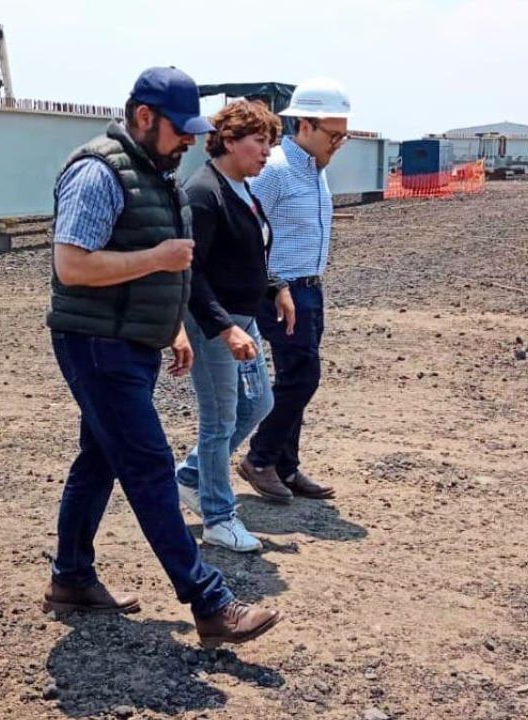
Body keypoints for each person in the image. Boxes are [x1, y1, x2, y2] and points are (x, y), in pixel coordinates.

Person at [44, 67, 281, 648]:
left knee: (98, 460)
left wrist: (174, 324)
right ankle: (211, 602)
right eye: (181, 130)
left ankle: (70, 578)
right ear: (145, 117)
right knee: (149, 464)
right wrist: (157, 259)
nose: (189, 142)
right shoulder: (98, 172)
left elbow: (167, 266)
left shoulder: (157, 172)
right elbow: (71, 266)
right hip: (96, 343)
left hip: (129, 341)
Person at [175, 100, 295, 552]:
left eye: (270, 142)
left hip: (243, 321)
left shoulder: (244, 188)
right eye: (258, 141)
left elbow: (249, 256)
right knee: (220, 419)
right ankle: (218, 519)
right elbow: (192, 273)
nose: (266, 152)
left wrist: (275, 286)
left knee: (259, 404)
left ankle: (190, 477)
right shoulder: (204, 193)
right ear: (228, 140)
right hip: (214, 326)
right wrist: (224, 328)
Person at [240, 78, 349, 503]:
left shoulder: (316, 171)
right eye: (332, 135)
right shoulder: (277, 170)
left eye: (343, 135)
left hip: (310, 288)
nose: (338, 143)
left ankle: (285, 465)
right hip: (280, 290)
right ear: (304, 125)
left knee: (295, 377)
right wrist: (271, 283)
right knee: (302, 377)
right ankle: (260, 459)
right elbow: (245, 222)